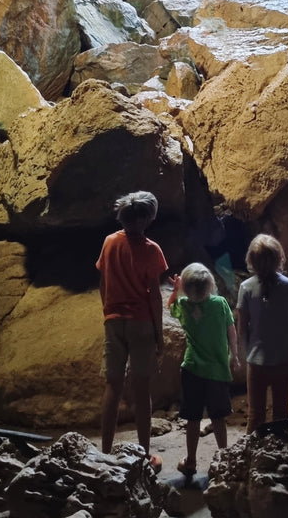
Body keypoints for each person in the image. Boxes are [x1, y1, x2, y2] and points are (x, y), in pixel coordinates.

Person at [96, 191, 168, 471]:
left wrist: (108, 311)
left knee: (112, 386)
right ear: (148, 218)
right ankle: (143, 454)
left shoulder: (110, 242)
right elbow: (154, 296)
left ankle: (104, 452)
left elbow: (103, 281)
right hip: (140, 323)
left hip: (114, 321)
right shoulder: (152, 250)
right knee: (141, 389)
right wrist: (159, 335)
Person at [168, 262, 239, 480]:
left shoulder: (184, 306)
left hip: (192, 371)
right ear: (210, 284)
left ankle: (190, 461)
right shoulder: (219, 304)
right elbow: (231, 330)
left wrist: (176, 288)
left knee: (193, 419)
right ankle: (223, 459)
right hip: (217, 371)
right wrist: (234, 355)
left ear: (186, 289)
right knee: (218, 418)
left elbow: (171, 304)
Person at [237, 233, 288, 434]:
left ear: (251, 260)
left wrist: (242, 352)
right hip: (282, 358)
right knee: (281, 413)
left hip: (256, 360)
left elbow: (242, 326)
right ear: (279, 258)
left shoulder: (245, 288)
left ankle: (253, 455)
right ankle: (281, 453)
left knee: (256, 415)